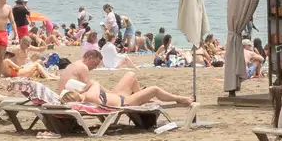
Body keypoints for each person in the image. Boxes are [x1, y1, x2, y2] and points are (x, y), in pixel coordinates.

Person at [55, 49, 193, 107]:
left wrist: (99, 88)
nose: (95, 67)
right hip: (123, 101)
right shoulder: (83, 69)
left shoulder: (76, 68)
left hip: (113, 97)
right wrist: (95, 84)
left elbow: (87, 88)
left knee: (131, 75)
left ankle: (142, 99)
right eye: (95, 64)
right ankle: (178, 98)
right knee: (154, 89)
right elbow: (89, 87)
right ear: (89, 58)